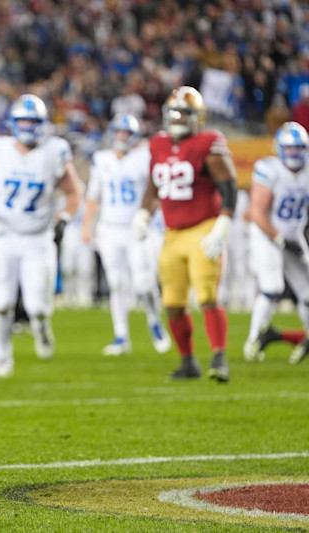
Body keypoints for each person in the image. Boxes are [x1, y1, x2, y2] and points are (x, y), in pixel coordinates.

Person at [0, 94, 83, 379]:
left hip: (38, 237)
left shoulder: (54, 151)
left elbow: (74, 191)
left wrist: (65, 216)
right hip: (5, 234)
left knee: (37, 307)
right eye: (23, 121)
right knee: (2, 301)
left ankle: (42, 327)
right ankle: (3, 357)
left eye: (33, 121)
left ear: (43, 124)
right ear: (13, 122)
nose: (28, 126)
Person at [133, 86, 237, 381]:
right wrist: (144, 212)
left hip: (203, 227)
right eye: (174, 113)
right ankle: (188, 362)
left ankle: (218, 358)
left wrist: (224, 223)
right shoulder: (158, 145)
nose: (178, 118)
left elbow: (228, 186)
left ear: (198, 117)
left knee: (206, 295)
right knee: (173, 303)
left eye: (184, 113)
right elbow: (154, 186)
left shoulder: (209, 142)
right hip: (172, 232)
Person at [82, 114, 171, 356]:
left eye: (126, 133)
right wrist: (87, 225)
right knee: (116, 284)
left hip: (136, 228)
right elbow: (93, 196)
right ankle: (121, 335)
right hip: (109, 228)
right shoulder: (101, 160)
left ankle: (154, 320)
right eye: (118, 132)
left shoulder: (143, 158)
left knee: (143, 283)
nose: (121, 137)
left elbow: (155, 191)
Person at [244, 122, 309, 364]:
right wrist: (280, 240)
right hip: (267, 234)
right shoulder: (269, 169)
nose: (295, 154)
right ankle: (253, 341)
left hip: (295, 235)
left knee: (307, 292)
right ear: (279, 149)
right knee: (272, 287)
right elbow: (258, 212)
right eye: (290, 149)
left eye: (299, 149)